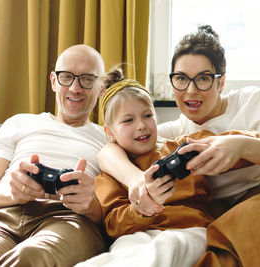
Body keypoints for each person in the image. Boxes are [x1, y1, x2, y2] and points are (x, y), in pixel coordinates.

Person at [97, 25, 260, 266]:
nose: (190, 91)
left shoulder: (250, 100)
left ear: (221, 81)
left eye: (203, 79)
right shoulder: (178, 131)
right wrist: (135, 181)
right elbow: (107, 149)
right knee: (231, 230)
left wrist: (239, 146)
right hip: (241, 217)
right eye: (181, 79)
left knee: (244, 221)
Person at [0, 44, 108, 266]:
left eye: (87, 79)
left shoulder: (109, 139)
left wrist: (91, 206)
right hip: (1, 219)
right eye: (66, 77)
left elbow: (121, 211)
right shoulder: (20, 123)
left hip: (67, 220)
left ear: (101, 88)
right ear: (54, 81)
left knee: (31, 258)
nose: (75, 88)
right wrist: (12, 193)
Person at [76, 68, 218, 267]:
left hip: (189, 228)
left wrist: (243, 144)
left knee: (167, 247)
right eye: (128, 120)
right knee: (117, 256)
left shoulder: (182, 147)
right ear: (110, 133)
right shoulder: (109, 176)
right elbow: (112, 225)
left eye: (147, 116)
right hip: (137, 234)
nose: (141, 125)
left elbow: (226, 143)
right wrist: (140, 209)